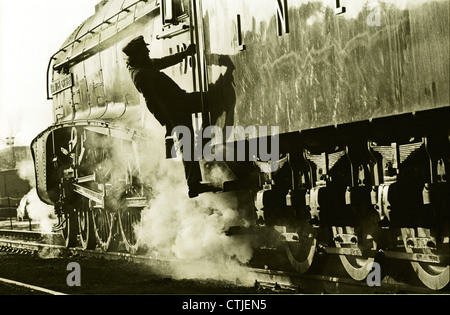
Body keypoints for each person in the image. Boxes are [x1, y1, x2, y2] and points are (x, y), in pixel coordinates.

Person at [122, 35, 215, 198]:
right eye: (145, 49)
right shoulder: (141, 74)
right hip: (176, 108)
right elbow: (151, 101)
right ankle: (193, 184)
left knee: (189, 139)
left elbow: (165, 61)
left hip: (179, 103)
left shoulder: (144, 65)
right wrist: (166, 121)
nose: (148, 50)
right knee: (214, 100)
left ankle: (194, 181)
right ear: (138, 53)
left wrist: (185, 54)